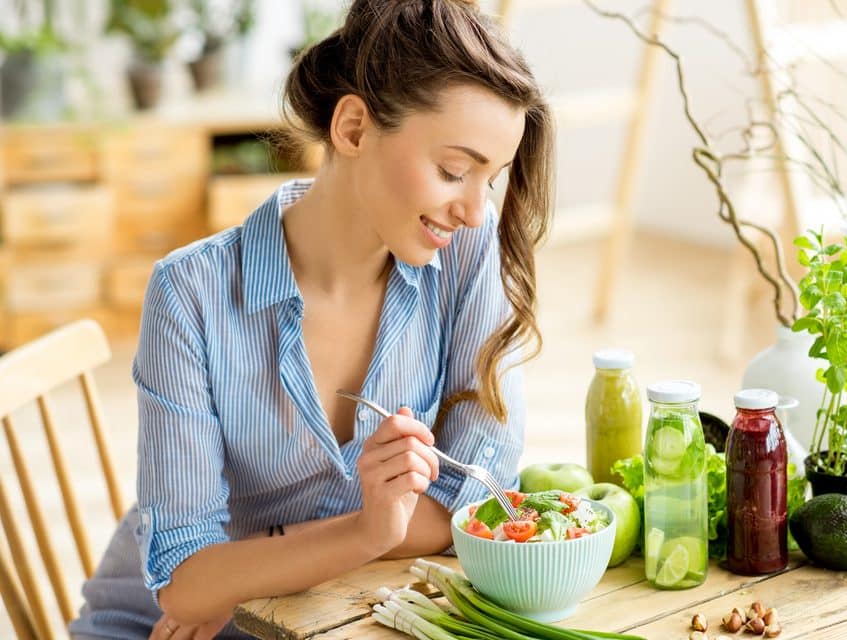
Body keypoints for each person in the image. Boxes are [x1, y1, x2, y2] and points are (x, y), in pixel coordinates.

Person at [69, 0, 553, 637]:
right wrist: (367, 530)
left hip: (328, 615)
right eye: (452, 170)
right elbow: (186, 587)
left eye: (489, 179)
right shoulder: (192, 293)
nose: (471, 207)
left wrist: (269, 557)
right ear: (352, 128)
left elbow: (480, 500)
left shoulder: (466, 247)